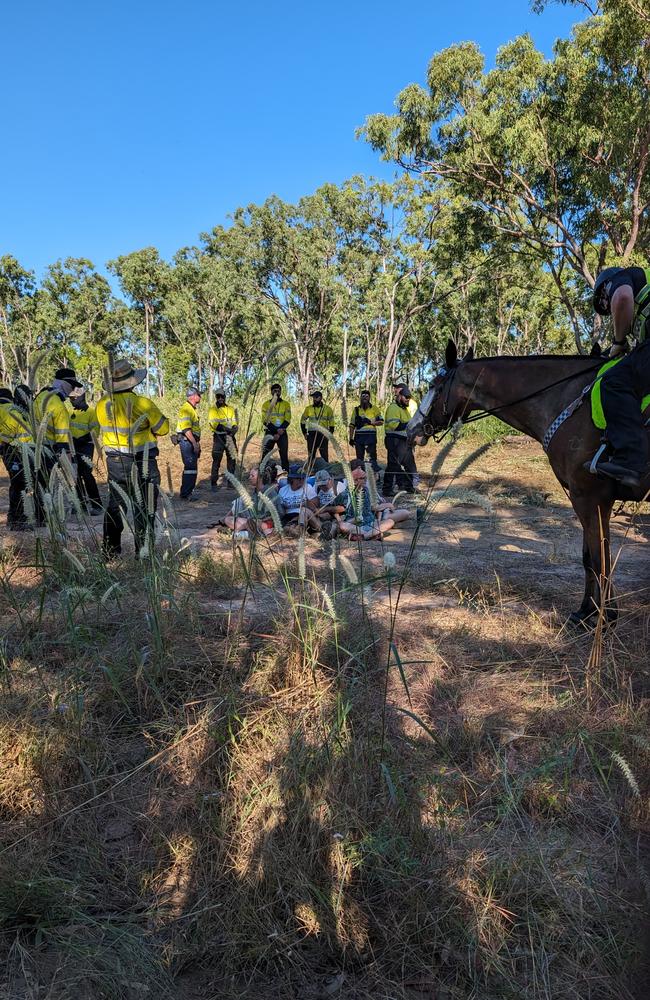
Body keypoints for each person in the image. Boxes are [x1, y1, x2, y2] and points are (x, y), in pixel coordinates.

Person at [95, 358, 169, 557]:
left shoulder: (101, 404)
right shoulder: (142, 403)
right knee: (145, 506)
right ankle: (143, 553)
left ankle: (110, 551)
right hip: (142, 460)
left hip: (115, 461)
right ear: (132, 381)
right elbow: (163, 428)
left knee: (115, 504)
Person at [591, 266, 650, 488]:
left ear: (606, 286)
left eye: (603, 302)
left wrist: (618, 342)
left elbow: (623, 296)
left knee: (614, 383)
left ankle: (630, 461)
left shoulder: (623, 276)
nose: (606, 307)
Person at [32, 367, 81, 519]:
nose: (73, 389)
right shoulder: (59, 407)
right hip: (50, 451)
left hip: (34, 448)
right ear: (64, 384)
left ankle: (40, 516)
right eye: (72, 385)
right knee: (52, 485)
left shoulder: (41, 396)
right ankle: (52, 518)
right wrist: (69, 466)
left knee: (39, 484)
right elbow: (63, 441)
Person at [0, 387, 33, 530]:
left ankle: (13, 519)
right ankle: (18, 521)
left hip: (9, 452)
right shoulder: (10, 411)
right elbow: (13, 435)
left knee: (16, 484)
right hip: (17, 452)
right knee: (20, 485)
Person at [337, 461, 393, 540]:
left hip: (371, 523)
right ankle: (372, 534)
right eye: (363, 478)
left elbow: (373, 507)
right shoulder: (346, 494)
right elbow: (333, 507)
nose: (365, 480)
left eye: (365, 478)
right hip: (355, 525)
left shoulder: (367, 490)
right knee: (342, 526)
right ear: (355, 481)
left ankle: (364, 536)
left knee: (390, 521)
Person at [68, 387, 102, 513]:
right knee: (74, 476)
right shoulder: (70, 411)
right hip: (72, 446)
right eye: (70, 398)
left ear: (81, 397)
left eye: (74, 398)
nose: (71, 400)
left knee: (86, 475)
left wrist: (80, 439)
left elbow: (95, 432)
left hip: (86, 446)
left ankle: (96, 505)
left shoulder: (92, 412)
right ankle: (79, 504)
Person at [383, 383, 418, 496]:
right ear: (399, 396)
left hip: (404, 441)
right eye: (406, 397)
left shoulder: (405, 409)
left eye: (409, 397)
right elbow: (394, 425)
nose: (408, 399)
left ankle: (409, 487)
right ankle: (387, 489)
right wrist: (410, 424)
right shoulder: (394, 408)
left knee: (410, 464)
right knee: (393, 465)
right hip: (394, 440)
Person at [224, 466, 275, 538]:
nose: (249, 478)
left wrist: (262, 520)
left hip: (265, 524)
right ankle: (249, 531)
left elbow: (279, 512)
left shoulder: (270, 492)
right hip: (251, 521)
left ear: (260, 477)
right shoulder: (254, 493)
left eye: (252, 476)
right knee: (228, 519)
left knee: (250, 523)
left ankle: (246, 533)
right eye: (250, 475)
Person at [208, 388, 238, 490]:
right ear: (216, 397)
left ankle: (231, 483)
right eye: (218, 396)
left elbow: (234, 421)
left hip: (230, 436)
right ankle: (213, 483)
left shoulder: (230, 409)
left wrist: (234, 428)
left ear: (225, 397)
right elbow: (216, 425)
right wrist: (228, 429)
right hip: (219, 437)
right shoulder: (212, 409)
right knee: (217, 460)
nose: (220, 398)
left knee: (232, 459)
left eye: (222, 396)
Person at [276, 462, 319, 530]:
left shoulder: (307, 487)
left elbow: (316, 504)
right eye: (298, 478)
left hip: (303, 516)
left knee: (302, 514)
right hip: (288, 517)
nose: (301, 480)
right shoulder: (283, 490)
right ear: (291, 479)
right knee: (287, 529)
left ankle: (300, 531)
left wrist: (306, 503)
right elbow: (279, 508)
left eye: (303, 478)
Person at [176, 388, 202, 500]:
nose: (200, 397)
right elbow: (186, 429)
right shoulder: (186, 409)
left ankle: (188, 492)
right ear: (193, 396)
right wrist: (194, 444)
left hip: (189, 442)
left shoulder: (191, 409)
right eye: (199, 395)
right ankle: (186, 494)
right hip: (187, 442)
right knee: (190, 468)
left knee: (192, 468)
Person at [348, 389, 383, 472]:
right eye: (363, 396)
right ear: (360, 397)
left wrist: (370, 422)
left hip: (370, 437)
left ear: (369, 398)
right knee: (359, 458)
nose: (365, 398)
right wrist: (351, 438)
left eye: (367, 396)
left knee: (372, 458)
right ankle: (361, 476)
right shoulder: (356, 410)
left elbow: (381, 422)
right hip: (359, 437)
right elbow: (352, 425)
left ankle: (375, 476)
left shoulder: (375, 409)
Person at [261, 383, 291, 473]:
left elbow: (288, 419)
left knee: (284, 456)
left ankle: (286, 475)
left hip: (282, 433)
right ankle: (262, 474)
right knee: (265, 455)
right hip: (270, 433)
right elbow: (265, 420)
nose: (276, 393)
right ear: (271, 392)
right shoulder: (266, 404)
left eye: (278, 391)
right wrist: (275, 432)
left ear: (281, 392)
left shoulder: (286, 404)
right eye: (274, 391)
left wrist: (279, 432)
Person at [300, 390, 335, 465]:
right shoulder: (308, 408)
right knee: (311, 454)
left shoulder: (327, 409)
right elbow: (302, 421)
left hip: (323, 435)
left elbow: (331, 423)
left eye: (316, 397)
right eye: (313, 398)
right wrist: (304, 433)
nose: (314, 399)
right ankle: (310, 471)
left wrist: (330, 435)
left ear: (321, 398)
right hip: (311, 435)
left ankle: (325, 470)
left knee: (324, 455)